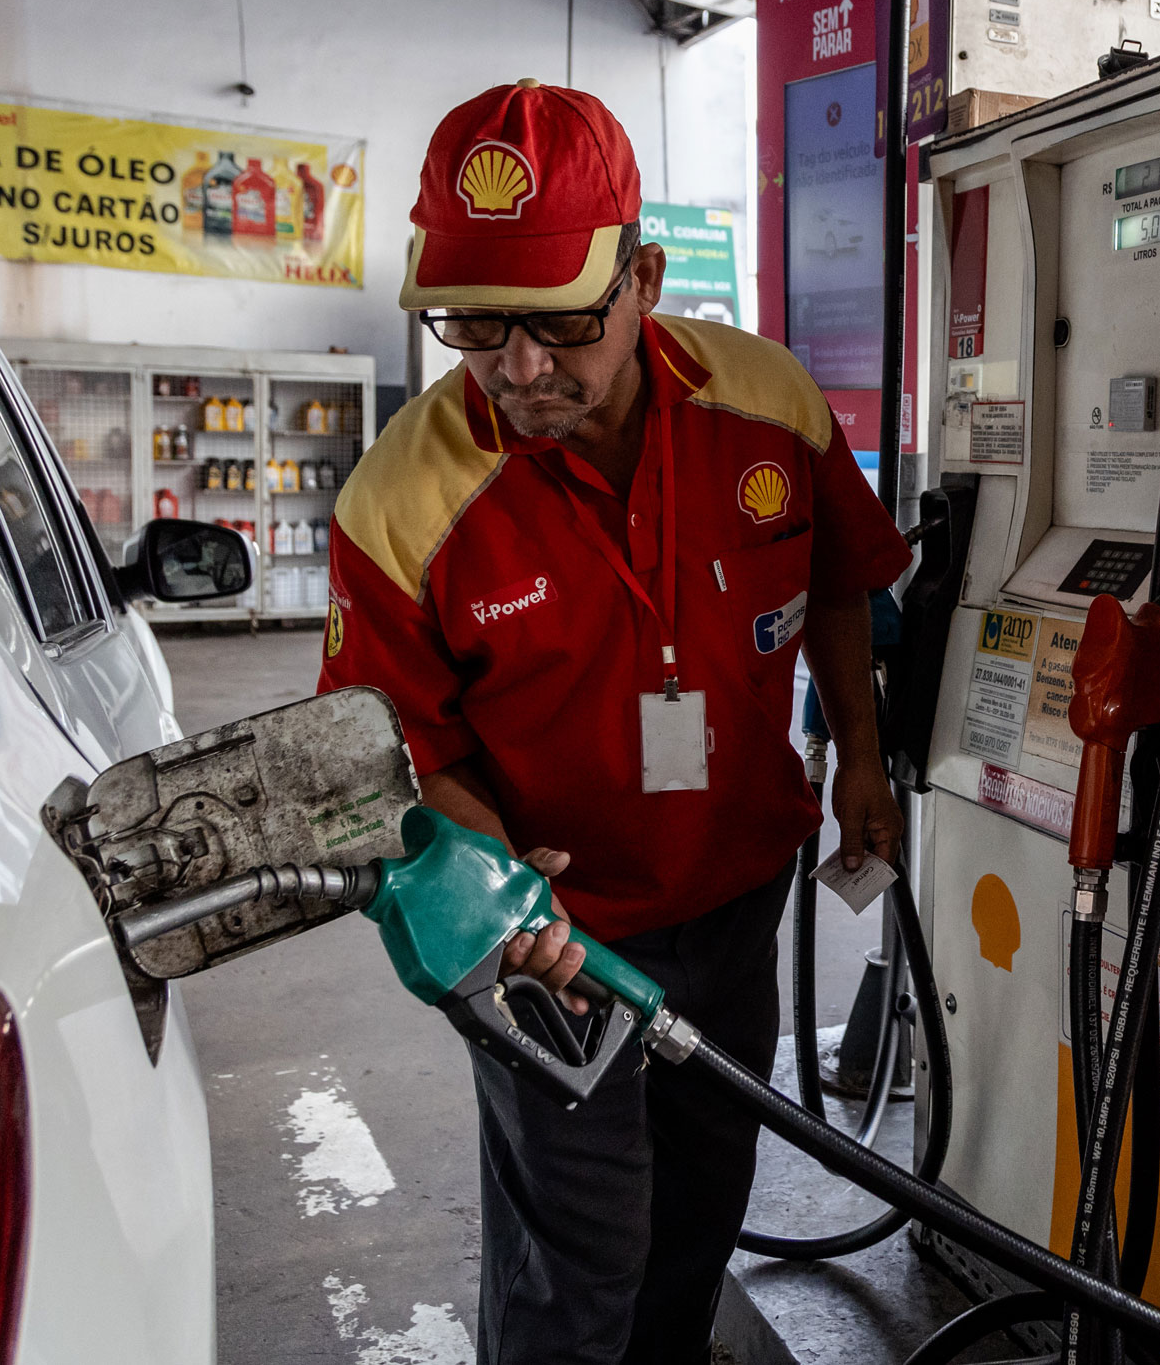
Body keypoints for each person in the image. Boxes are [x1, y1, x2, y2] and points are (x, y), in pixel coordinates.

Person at [317, 80, 911, 1364]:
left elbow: (839, 582)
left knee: (702, 1210)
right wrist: (494, 890)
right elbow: (399, 755)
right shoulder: (402, 502)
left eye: (561, 323)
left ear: (641, 276)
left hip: (736, 893)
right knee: (577, 1254)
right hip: (554, 946)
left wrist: (860, 754)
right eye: (476, 324)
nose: (521, 368)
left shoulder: (772, 405)